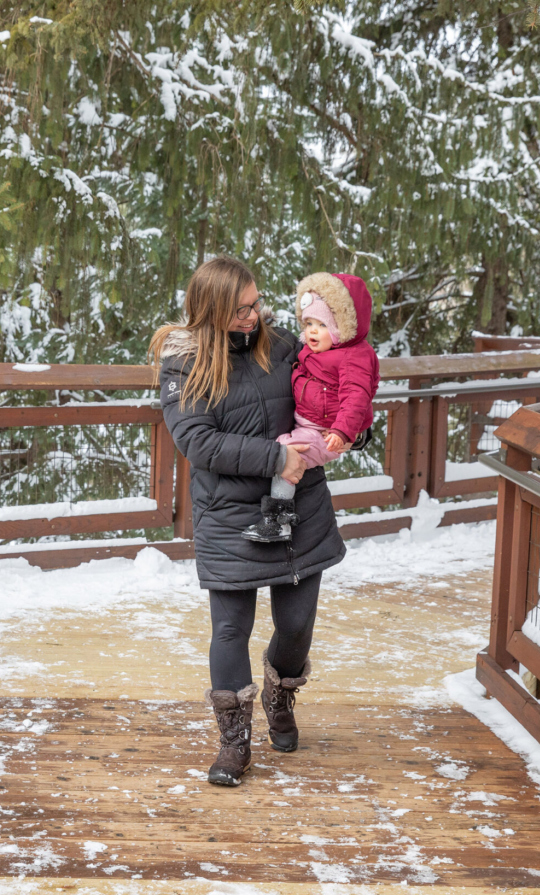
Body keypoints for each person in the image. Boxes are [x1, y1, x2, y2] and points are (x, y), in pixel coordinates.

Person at [149, 256, 347, 787]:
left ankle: (281, 695)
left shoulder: (283, 347)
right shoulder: (183, 366)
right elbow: (198, 442)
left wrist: (348, 428)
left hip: (299, 511)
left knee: (296, 626)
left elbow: (331, 390)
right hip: (230, 518)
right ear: (210, 310)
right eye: (240, 309)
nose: (253, 316)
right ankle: (234, 741)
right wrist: (275, 458)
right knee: (231, 629)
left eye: (256, 304)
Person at [243, 273, 380, 543]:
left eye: (322, 324)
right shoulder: (311, 351)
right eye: (308, 323)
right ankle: (277, 518)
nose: (312, 331)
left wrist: (344, 430)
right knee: (286, 451)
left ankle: (278, 521)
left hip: (324, 433)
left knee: (287, 456)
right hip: (309, 424)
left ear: (342, 327)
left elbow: (356, 396)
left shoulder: (352, 357)